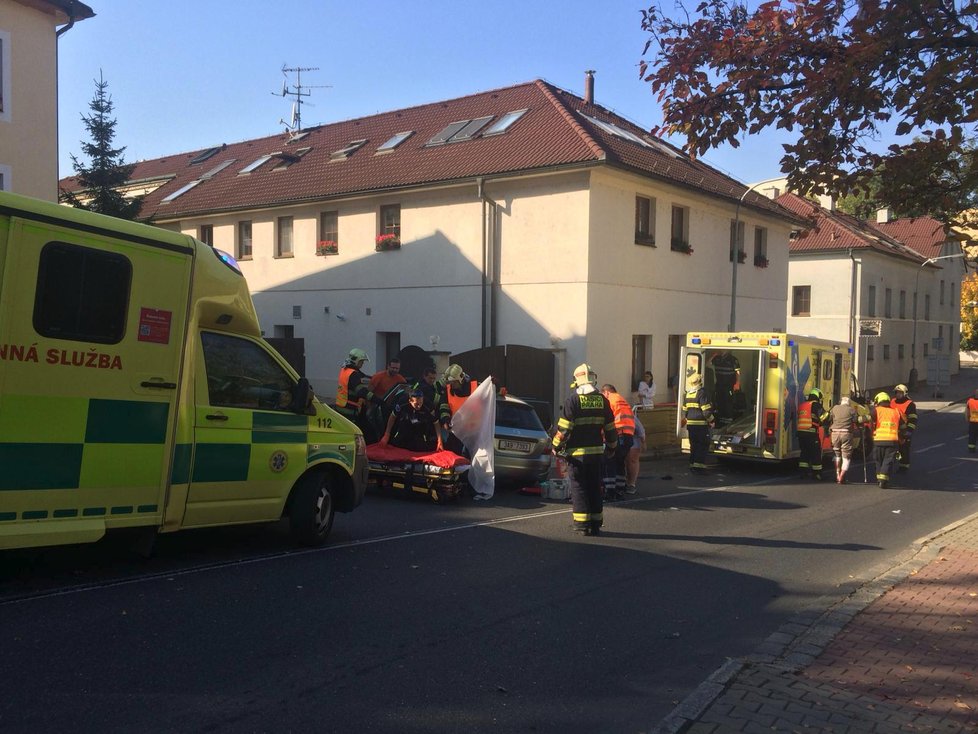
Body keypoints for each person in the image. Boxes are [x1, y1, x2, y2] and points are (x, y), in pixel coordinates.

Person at [552, 363, 617, 537]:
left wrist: (555, 446)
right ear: (593, 379)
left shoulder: (573, 401)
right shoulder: (602, 400)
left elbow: (564, 429)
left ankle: (582, 524)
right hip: (596, 454)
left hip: (577, 455)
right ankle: (596, 523)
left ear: (577, 381)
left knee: (579, 487)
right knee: (595, 486)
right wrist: (612, 447)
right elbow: (611, 428)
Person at [335, 348, 383, 441]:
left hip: (341, 406)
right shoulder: (353, 374)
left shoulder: (345, 369)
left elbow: (362, 375)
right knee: (362, 433)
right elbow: (361, 392)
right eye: (361, 361)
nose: (362, 364)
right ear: (357, 361)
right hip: (349, 410)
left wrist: (375, 378)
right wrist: (377, 400)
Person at [600, 384, 636, 502]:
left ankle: (610, 492)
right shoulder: (622, 400)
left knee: (609, 462)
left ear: (606, 392)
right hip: (628, 436)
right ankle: (620, 490)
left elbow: (607, 420)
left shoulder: (610, 400)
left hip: (617, 435)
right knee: (620, 463)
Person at [378, 388, 442, 453]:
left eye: (421, 402)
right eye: (416, 404)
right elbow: (392, 417)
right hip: (405, 425)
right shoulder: (402, 403)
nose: (419, 406)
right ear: (410, 401)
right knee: (398, 446)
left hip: (420, 427)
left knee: (420, 447)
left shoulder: (428, 406)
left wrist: (439, 440)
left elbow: (436, 422)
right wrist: (387, 434)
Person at [870, 391, 906, 488]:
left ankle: (879, 479)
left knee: (878, 460)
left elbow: (868, 419)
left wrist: (857, 419)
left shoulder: (876, 410)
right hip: (892, 441)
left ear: (878, 400)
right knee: (888, 460)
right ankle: (883, 480)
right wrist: (902, 437)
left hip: (878, 440)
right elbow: (903, 427)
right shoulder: (896, 412)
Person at [682, 373, 714, 475]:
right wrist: (712, 420)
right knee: (702, 444)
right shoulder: (701, 393)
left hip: (691, 425)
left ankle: (692, 464)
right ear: (700, 382)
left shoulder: (687, 394)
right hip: (701, 425)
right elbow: (706, 411)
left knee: (694, 444)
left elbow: (685, 410)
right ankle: (699, 466)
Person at [797, 387, 828, 479]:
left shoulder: (802, 405)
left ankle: (803, 473)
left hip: (800, 434)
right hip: (811, 433)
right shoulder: (816, 405)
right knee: (815, 454)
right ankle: (817, 473)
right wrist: (827, 418)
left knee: (804, 453)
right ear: (817, 396)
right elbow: (823, 417)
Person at [827, 396, 859, 484]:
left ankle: (837, 474)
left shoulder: (834, 408)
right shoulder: (851, 410)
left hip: (835, 433)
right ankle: (841, 476)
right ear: (848, 403)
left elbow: (829, 419)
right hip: (846, 434)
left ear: (840, 402)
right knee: (846, 456)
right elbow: (856, 420)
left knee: (837, 454)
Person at [891, 384, 918, 471]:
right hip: (892, 430)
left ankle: (904, 466)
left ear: (905, 393)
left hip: (904, 430)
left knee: (904, 449)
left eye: (900, 393)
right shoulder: (892, 402)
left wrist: (909, 431)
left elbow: (913, 419)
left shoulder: (910, 404)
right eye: (897, 393)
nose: (898, 394)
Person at [710, 350, 740, 423]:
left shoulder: (733, 359)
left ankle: (728, 417)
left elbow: (738, 372)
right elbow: (707, 364)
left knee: (728, 400)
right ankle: (721, 416)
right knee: (719, 399)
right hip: (719, 384)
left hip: (729, 384)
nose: (721, 350)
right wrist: (713, 355)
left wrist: (737, 383)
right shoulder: (716, 358)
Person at [625, 411, 646, 494]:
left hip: (632, 439)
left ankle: (631, 484)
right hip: (619, 439)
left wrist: (643, 442)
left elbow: (640, 429)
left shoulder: (628, 414)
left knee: (632, 460)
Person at [967, 389, 978, 453]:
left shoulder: (970, 401)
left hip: (973, 422)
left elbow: (967, 413)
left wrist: (968, 419)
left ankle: (971, 449)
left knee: (972, 436)